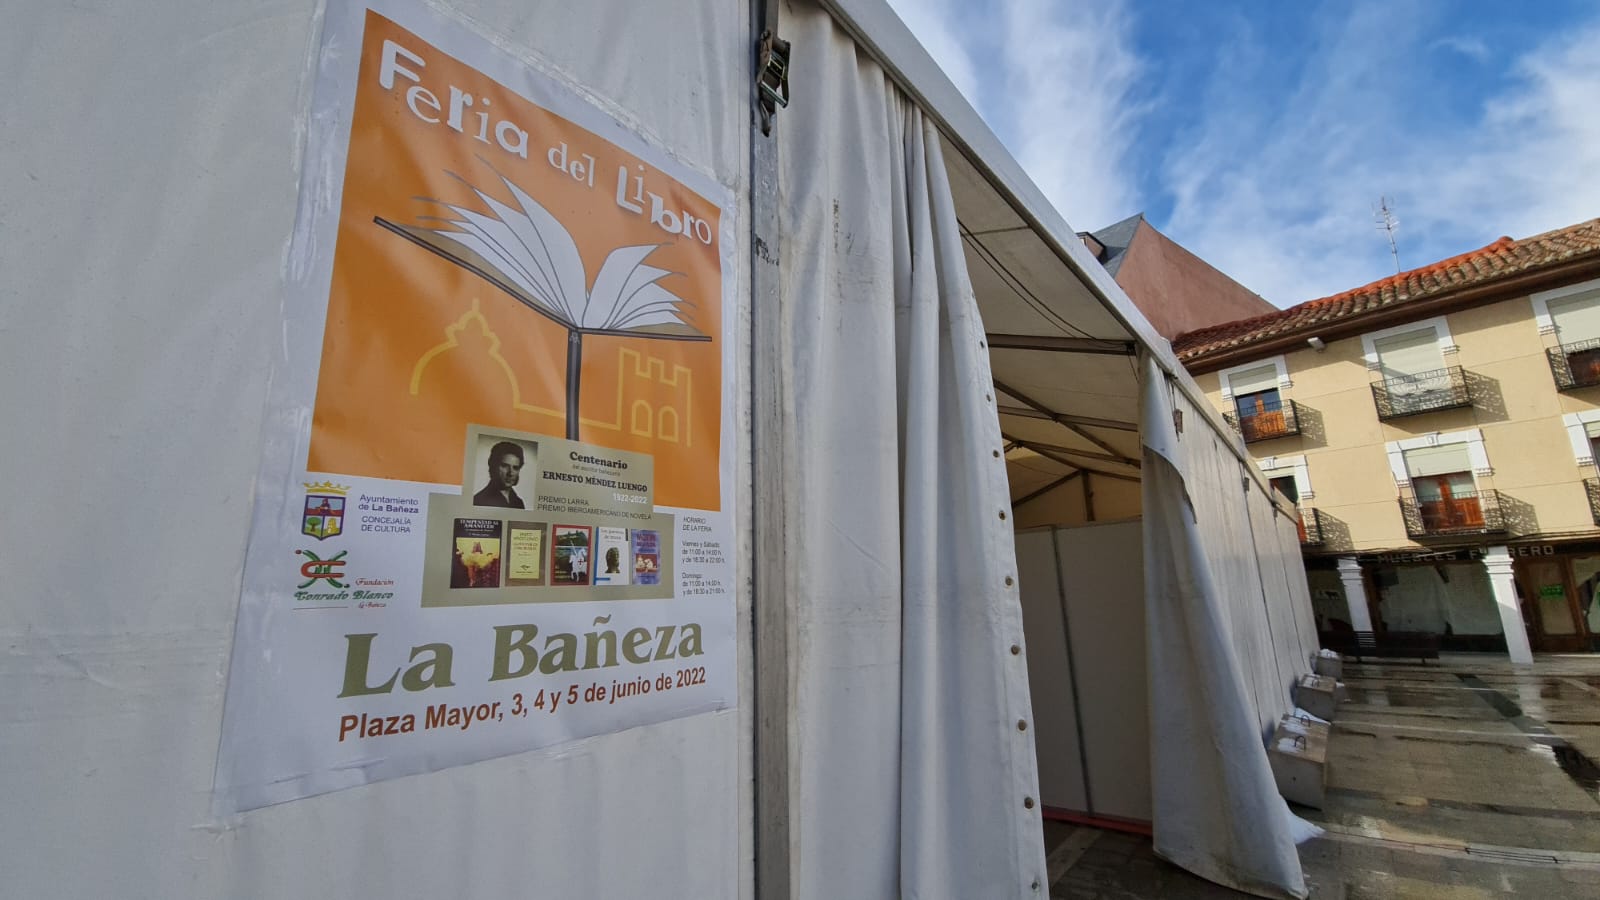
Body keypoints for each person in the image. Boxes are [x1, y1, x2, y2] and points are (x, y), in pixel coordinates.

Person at [473, 440, 527, 508]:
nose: (510, 473)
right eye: (504, 466)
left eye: (515, 468)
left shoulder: (519, 503)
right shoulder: (479, 501)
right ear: (493, 465)